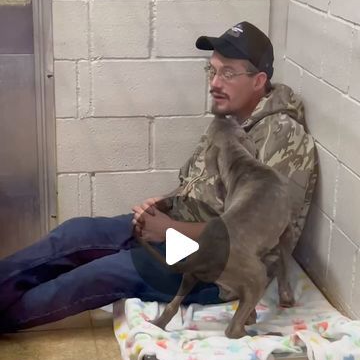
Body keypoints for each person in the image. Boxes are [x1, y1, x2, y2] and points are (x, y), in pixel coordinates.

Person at [0, 21, 317, 333]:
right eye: (212, 71)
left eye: (228, 73)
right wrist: (164, 204)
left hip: (220, 268)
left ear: (259, 80)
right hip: (179, 231)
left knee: (101, 274)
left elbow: (254, 234)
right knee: (74, 234)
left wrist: (170, 230)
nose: (214, 83)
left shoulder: (285, 138)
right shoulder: (231, 121)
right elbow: (198, 184)